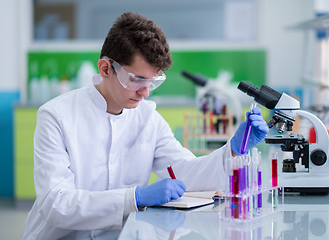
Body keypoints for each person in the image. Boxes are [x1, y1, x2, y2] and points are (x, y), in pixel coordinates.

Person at [21, 12, 268, 239]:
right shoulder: (56, 116)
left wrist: (235, 149)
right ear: (106, 68)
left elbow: (184, 173)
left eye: (153, 81)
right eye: (137, 79)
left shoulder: (148, 117)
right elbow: (56, 204)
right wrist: (134, 198)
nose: (145, 92)